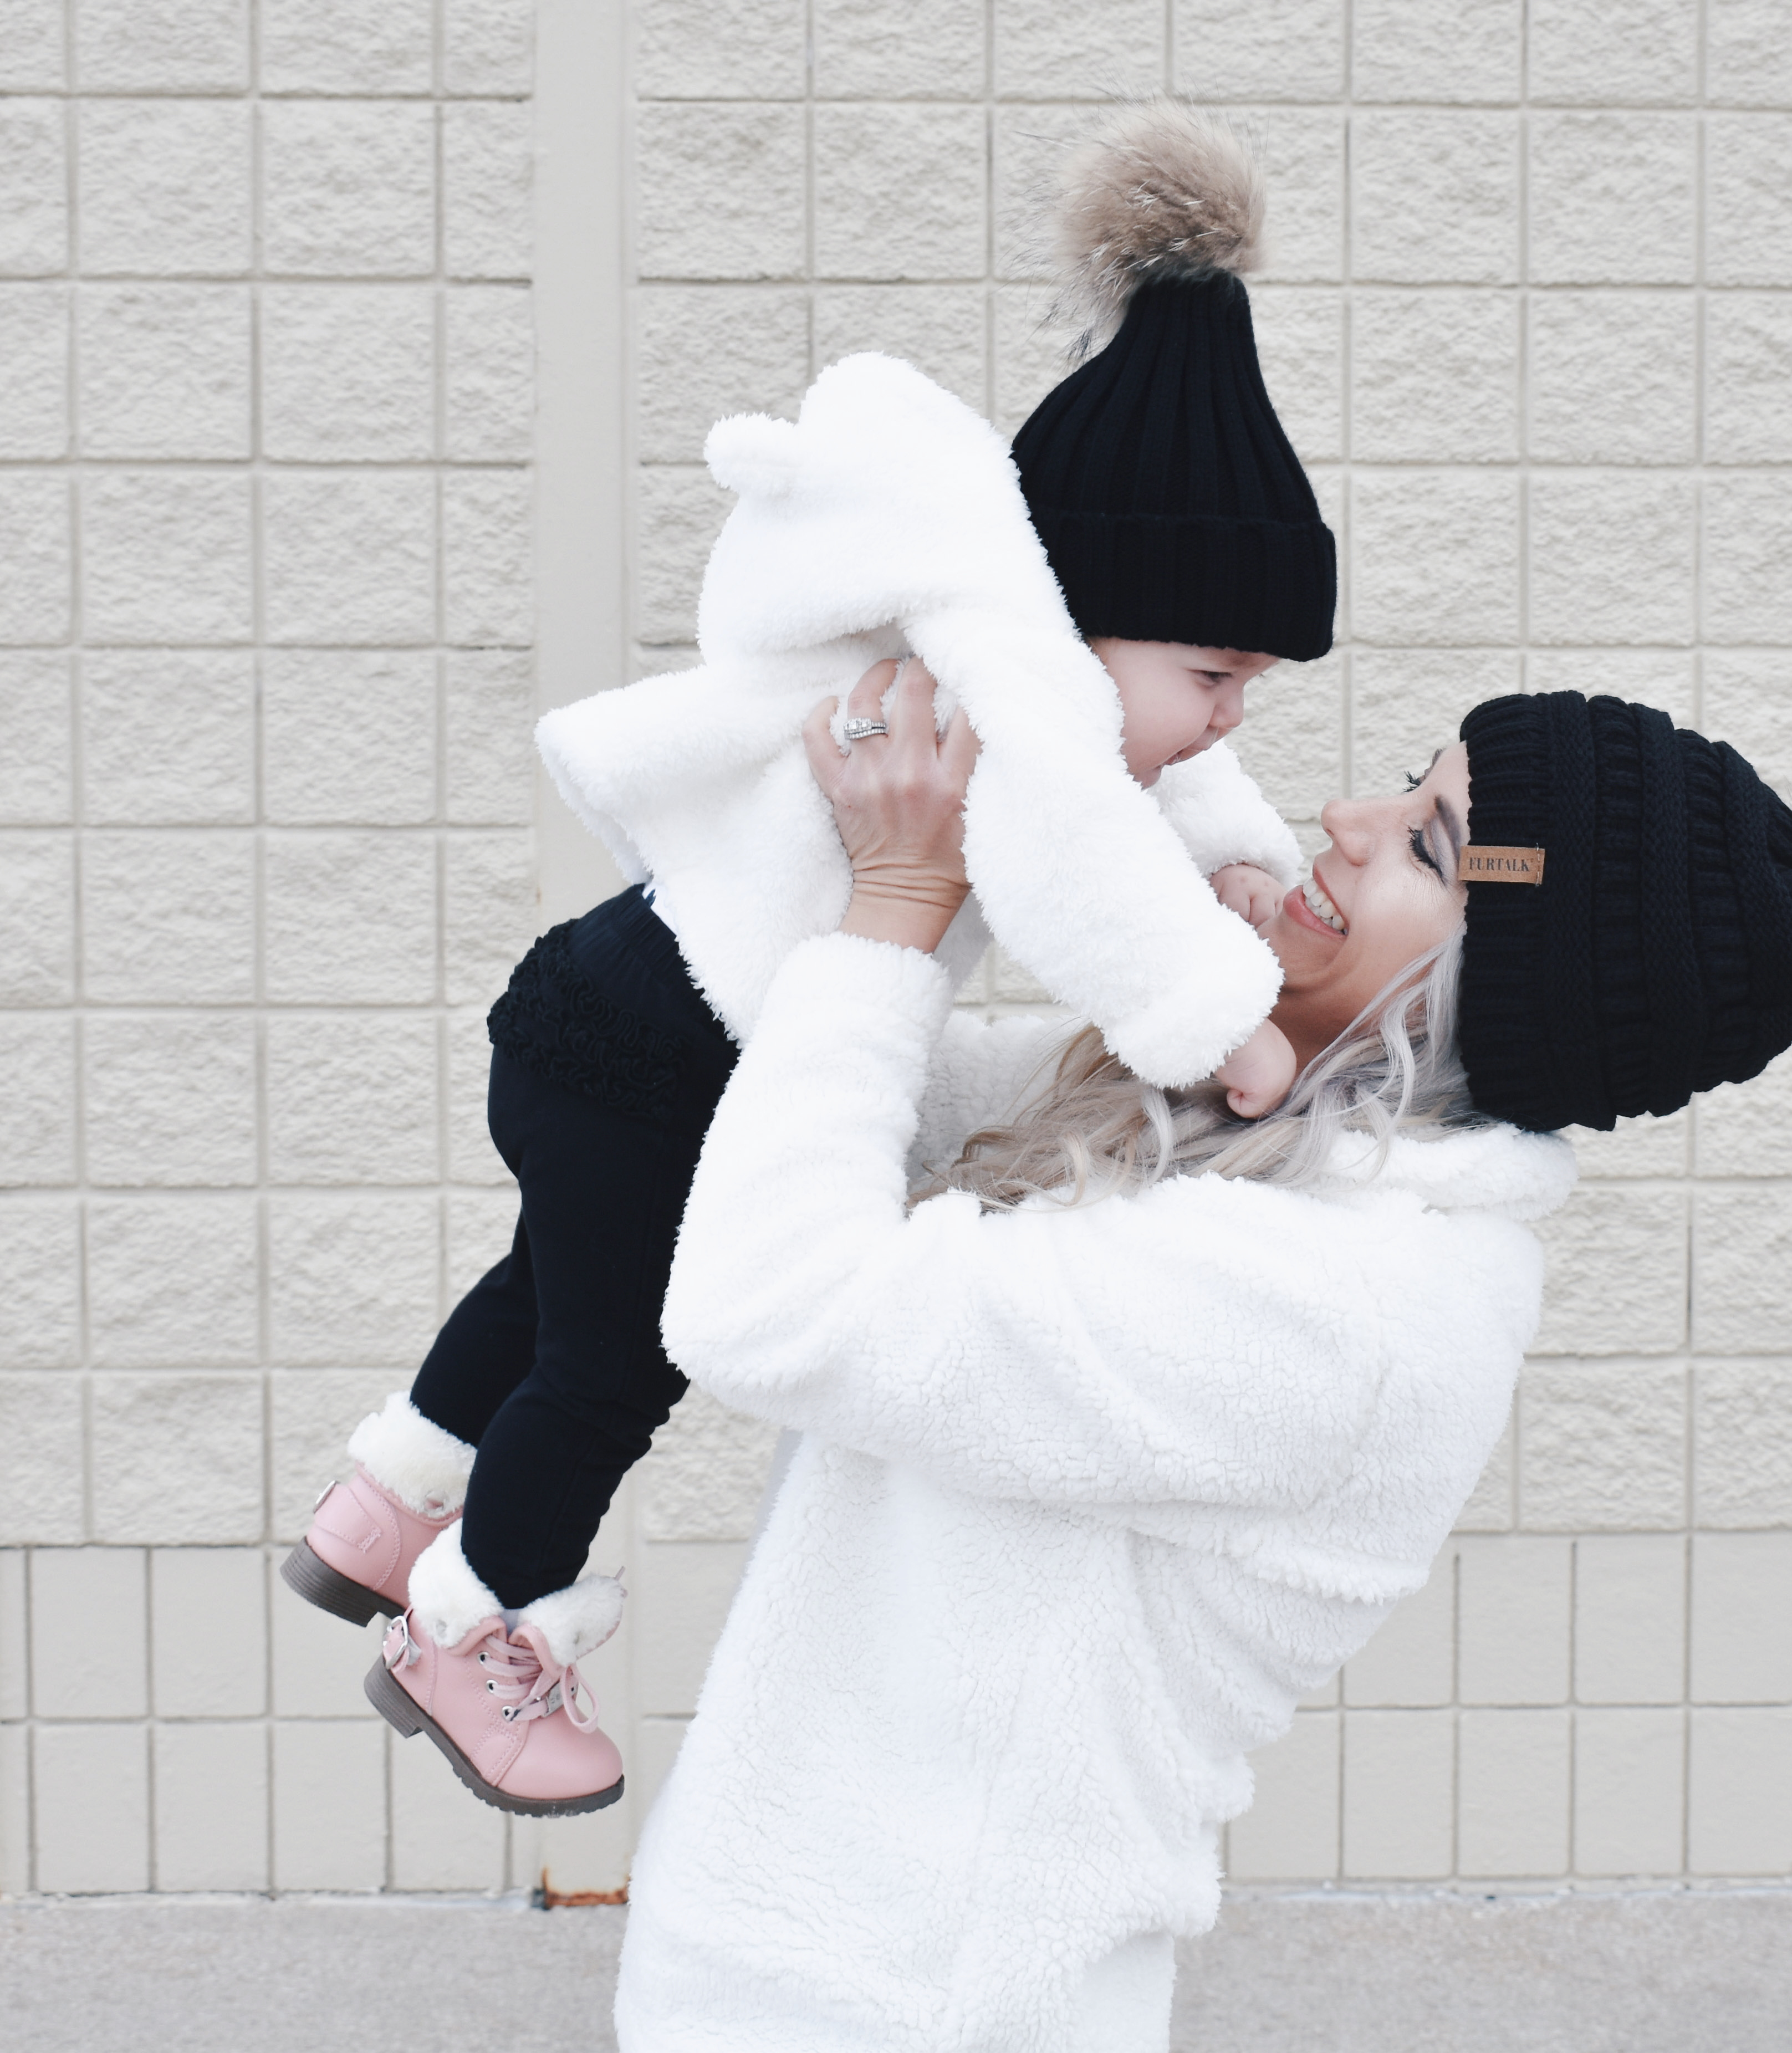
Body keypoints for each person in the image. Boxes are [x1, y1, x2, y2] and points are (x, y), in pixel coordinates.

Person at [613, 679, 1792, 2050]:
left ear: (1521, 987)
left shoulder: (1345, 1306)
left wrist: (904, 904)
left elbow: (771, 1294)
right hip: (833, 1956)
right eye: (1406, 783)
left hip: (904, 1996)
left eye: (1428, 842)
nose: (1344, 817)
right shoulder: (1279, 1151)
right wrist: (1126, 965)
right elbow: (813, 1091)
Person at [282, 101, 1336, 1818]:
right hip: (650, 1052)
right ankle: (466, 1629)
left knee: (556, 1285)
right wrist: (1231, 1028)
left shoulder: (1025, 659)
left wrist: (1236, 855)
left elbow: (1167, 772)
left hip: (599, 1003)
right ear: (1096, 623)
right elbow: (1077, 869)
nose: (1229, 717)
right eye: (1219, 673)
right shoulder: (1024, 710)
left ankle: (380, 1504)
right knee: (615, 1361)